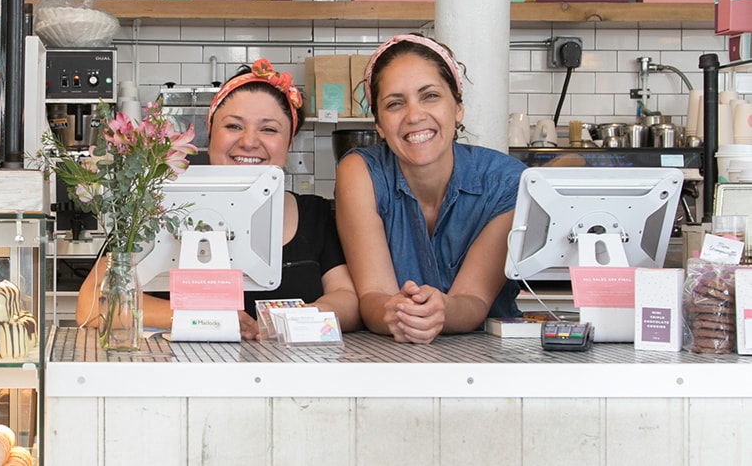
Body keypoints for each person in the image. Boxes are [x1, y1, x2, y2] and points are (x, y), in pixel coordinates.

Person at [76, 59, 360, 339]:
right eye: (234, 126)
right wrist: (203, 320)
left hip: (288, 380)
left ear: (289, 142)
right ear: (210, 133)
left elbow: (347, 300)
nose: (249, 141)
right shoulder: (148, 206)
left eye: (269, 129)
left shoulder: (315, 215)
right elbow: (90, 305)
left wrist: (287, 322)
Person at [335, 34, 526, 344]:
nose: (414, 115)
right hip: (393, 356)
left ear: (458, 108)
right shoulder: (360, 173)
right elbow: (373, 294)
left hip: (492, 356)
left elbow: (474, 300)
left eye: (430, 96)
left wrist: (441, 310)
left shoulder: (507, 184)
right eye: (395, 104)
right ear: (380, 126)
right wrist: (393, 310)